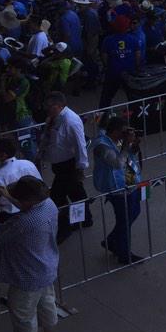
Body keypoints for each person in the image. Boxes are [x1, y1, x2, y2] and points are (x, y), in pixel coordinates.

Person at [0, 176, 60, 332]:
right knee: (48, 308)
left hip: (26, 277)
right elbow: (27, 206)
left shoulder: (24, 222)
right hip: (46, 269)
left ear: (28, 200)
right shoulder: (48, 204)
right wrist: (9, 196)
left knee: (24, 317)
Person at [39, 91, 90, 244]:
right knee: (77, 194)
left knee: (56, 198)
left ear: (59, 106)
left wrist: (80, 167)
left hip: (68, 165)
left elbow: (80, 146)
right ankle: (85, 218)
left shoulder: (70, 121)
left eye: (50, 106)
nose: (47, 109)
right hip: (59, 164)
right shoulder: (54, 118)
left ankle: (65, 227)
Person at [92, 116, 144, 265]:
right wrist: (127, 144)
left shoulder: (120, 140)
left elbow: (130, 156)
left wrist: (134, 146)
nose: (125, 135)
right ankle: (124, 254)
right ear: (114, 132)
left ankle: (112, 241)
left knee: (133, 213)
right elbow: (117, 163)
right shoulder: (102, 146)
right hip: (117, 189)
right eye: (123, 132)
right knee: (124, 220)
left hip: (130, 182)